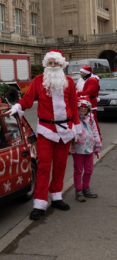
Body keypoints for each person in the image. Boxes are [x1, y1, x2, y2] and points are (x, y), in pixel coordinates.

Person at [10, 49, 81, 221]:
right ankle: (40, 203)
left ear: (61, 64)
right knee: (43, 167)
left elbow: (73, 104)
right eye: (50, 63)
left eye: (56, 63)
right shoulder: (39, 81)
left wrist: (77, 128)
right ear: (46, 65)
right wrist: (18, 107)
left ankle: (56, 196)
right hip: (46, 130)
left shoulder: (69, 82)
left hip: (65, 129)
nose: (53, 66)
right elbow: (28, 98)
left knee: (60, 165)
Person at [70, 96, 101, 202]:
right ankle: (78, 190)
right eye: (81, 107)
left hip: (89, 148)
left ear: (89, 108)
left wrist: (97, 145)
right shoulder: (74, 118)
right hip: (78, 148)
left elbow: (95, 131)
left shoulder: (91, 118)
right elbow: (71, 131)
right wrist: (74, 138)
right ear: (77, 107)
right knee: (78, 170)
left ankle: (86, 188)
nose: (83, 109)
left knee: (89, 170)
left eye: (86, 107)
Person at [77, 65, 101, 138]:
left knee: (92, 119)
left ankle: (97, 137)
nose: (80, 73)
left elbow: (89, 92)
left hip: (91, 102)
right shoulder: (81, 80)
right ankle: (86, 136)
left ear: (86, 73)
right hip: (83, 101)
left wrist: (77, 93)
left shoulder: (92, 80)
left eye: (81, 72)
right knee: (83, 120)